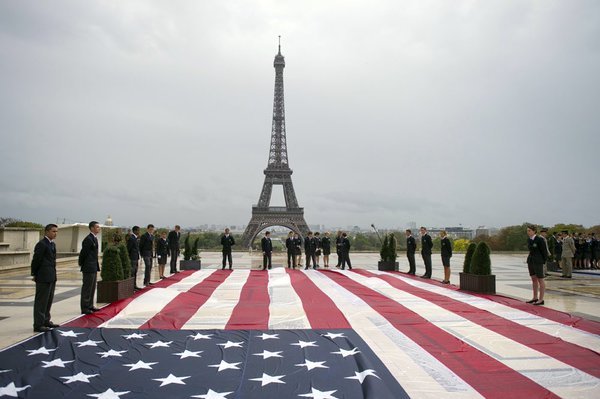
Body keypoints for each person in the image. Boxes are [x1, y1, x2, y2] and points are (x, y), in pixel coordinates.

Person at [31, 224, 59, 332]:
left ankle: (46, 320)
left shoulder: (52, 244)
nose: (55, 233)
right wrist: (34, 273)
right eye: (53, 231)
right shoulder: (42, 244)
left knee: (48, 300)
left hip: (51, 276)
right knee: (41, 301)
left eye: (56, 232)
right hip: (43, 276)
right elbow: (36, 260)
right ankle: (38, 324)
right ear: (47, 232)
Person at [78, 221, 101, 315]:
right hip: (88, 266)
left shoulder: (94, 238)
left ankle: (90, 305)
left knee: (92, 287)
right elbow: (84, 253)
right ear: (92, 228)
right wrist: (82, 263)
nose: (98, 229)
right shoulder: (88, 239)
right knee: (87, 288)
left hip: (93, 266)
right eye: (97, 227)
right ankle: (85, 307)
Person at [526, 225, 548, 306]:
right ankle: (535, 297)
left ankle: (541, 299)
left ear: (534, 231)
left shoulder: (539, 239)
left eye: (529, 230)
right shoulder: (529, 239)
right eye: (527, 230)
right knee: (533, 279)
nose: (528, 232)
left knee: (540, 279)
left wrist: (543, 261)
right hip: (531, 260)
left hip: (538, 261)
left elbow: (544, 251)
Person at [127, 226, 141, 290]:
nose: (139, 232)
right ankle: (131, 286)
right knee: (132, 272)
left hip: (136, 257)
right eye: (138, 230)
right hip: (132, 258)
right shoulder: (131, 238)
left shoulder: (135, 238)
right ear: (134, 231)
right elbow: (128, 249)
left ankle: (134, 285)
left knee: (135, 272)